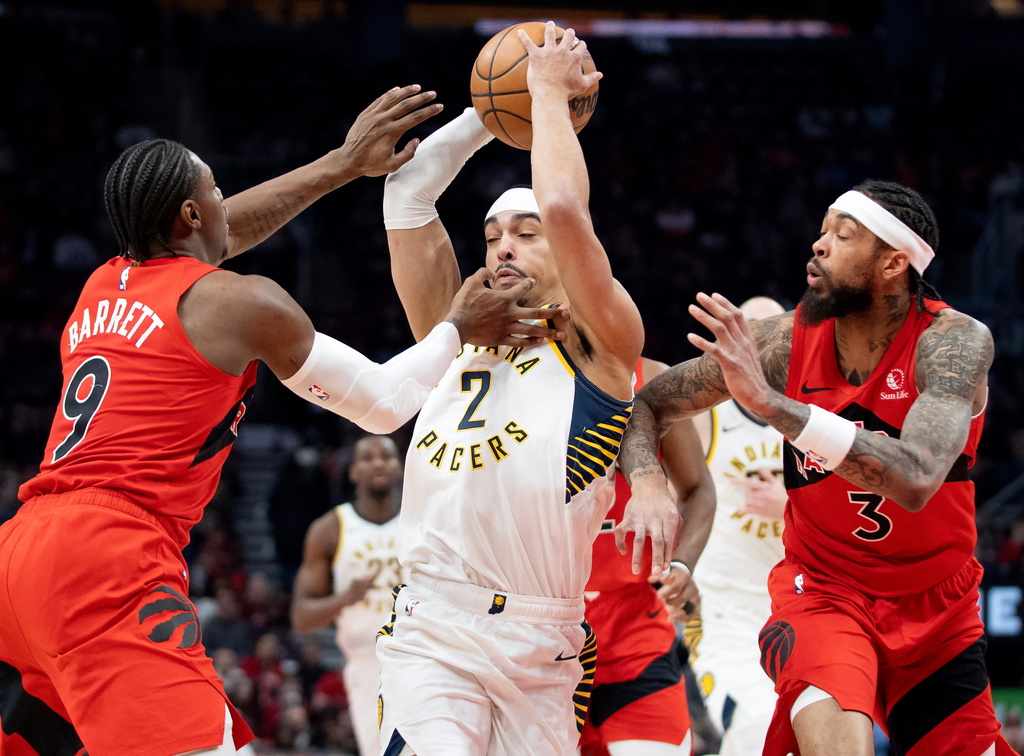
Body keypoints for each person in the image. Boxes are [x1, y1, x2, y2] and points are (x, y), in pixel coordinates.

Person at [0, 85, 569, 756]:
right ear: (189, 212)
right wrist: (455, 328)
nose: (226, 204)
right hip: (108, 558)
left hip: (22, 551)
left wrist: (342, 163)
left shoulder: (101, 284)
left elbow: (227, 229)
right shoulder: (241, 303)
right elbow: (384, 404)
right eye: (216, 189)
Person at [618, 180, 1019, 756]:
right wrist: (650, 484)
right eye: (823, 229)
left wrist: (775, 408)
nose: (819, 244)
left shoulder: (953, 341)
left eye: (842, 235)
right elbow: (648, 402)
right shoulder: (784, 343)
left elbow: (918, 477)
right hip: (824, 590)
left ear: (893, 263)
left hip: (937, 605)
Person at [376, 22, 644, 755]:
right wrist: (485, 115)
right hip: (432, 626)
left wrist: (546, 96)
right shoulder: (451, 324)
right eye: (494, 236)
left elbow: (564, 210)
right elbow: (407, 195)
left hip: (543, 638)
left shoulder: (600, 342)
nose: (504, 247)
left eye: (524, 235)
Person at [579, 357, 715, 756]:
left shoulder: (650, 376)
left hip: (635, 629)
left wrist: (682, 565)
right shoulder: (524, 376)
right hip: (543, 630)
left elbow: (697, 488)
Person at [684, 295, 787, 756]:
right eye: (748, 329)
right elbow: (676, 496)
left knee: (805, 732)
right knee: (753, 725)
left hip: (793, 610)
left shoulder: (812, 412)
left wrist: (788, 507)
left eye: (769, 332)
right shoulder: (709, 412)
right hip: (719, 611)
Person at [291, 433, 406, 756]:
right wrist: (344, 598)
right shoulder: (330, 529)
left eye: (386, 456)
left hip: (421, 651)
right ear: (353, 471)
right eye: (368, 458)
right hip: (365, 659)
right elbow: (301, 618)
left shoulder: (421, 519)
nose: (378, 463)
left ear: (399, 466)